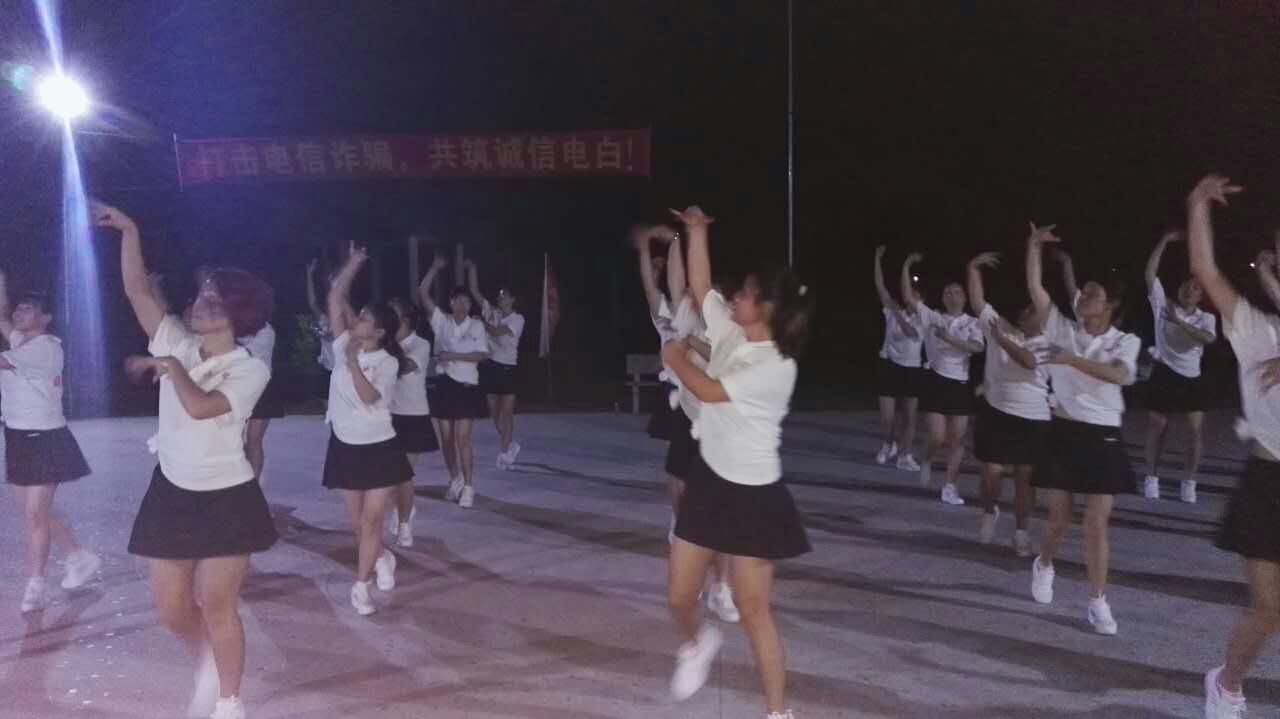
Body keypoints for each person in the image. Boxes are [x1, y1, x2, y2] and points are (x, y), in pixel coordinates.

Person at [99, 202, 275, 719]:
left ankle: (230, 700)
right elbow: (137, 290)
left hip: (227, 497)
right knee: (171, 610)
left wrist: (170, 367)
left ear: (239, 314)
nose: (201, 304)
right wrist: (130, 230)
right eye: (201, 295)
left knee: (217, 604)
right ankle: (207, 661)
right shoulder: (175, 339)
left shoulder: (249, 369)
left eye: (215, 300)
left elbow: (201, 407)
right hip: (172, 491)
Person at [662, 205, 813, 719]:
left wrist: (673, 356)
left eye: (746, 294)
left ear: (766, 308)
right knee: (679, 597)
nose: (736, 299)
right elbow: (702, 286)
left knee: (754, 612)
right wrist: (696, 232)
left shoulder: (777, 366)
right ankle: (694, 645)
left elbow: (706, 388)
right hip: (709, 479)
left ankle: (778, 714)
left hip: (755, 496)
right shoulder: (730, 333)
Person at [1184, 174, 1279, 719]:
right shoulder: (1257, 330)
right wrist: (1197, 204)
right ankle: (1227, 684)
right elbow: (1207, 272)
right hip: (1269, 483)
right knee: (1269, 611)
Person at [1025, 222, 1139, 636]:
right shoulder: (1062, 330)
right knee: (1059, 519)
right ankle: (1044, 563)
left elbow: (1119, 375)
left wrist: (1069, 360)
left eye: (1092, 293)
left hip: (1103, 435)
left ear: (1110, 304)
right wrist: (1033, 246)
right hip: (1063, 433)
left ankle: (1097, 601)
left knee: (1096, 522)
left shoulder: (1125, 341)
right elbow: (1036, 288)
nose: (1084, 297)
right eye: (1084, 291)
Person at [322, 242, 412, 616]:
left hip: (380, 448)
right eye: (358, 315)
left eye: (363, 317)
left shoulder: (388, 362)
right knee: (358, 524)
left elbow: (369, 397)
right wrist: (355, 263)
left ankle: (361, 587)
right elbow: (335, 296)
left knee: (373, 520)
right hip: (345, 446)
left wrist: (353, 364)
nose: (356, 319)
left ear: (378, 331)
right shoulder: (345, 342)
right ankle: (382, 557)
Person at [0, 272, 99, 613]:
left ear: (45, 318)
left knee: (34, 515)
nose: (19, 312)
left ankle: (36, 585)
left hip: (45, 440)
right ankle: (79, 556)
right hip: (17, 437)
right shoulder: (21, 343)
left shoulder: (45, 349)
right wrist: (2, 284)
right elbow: (2, 317)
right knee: (37, 513)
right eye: (19, 307)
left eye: (28, 308)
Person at [966, 252, 1049, 557]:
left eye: (1035, 309)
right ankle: (989, 512)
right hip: (996, 412)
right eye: (1027, 309)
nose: (1029, 312)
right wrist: (973, 268)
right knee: (991, 473)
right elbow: (977, 302)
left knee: (1025, 479)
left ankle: (1021, 532)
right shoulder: (1001, 326)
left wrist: (1001, 340)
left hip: (1033, 417)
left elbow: (1028, 361)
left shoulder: (1049, 342)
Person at [902, 253, 985, 505]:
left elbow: (977, 348)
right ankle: (927, 458)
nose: (952, 295)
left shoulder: (973, 322)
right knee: (937, 437)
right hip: (936, 381)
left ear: (965, 297)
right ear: (942, 298)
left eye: (957, 292)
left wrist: (948, 338)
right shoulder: (933, 318)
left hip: (959, 384)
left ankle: (950, 486)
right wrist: (907, 265)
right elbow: (908, 297)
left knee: (957, 441)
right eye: (947, 292)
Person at [1141, 230, 1216, 503]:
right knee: (1157, 429)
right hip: (1164, 373)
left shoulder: (1206, 318)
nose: (1189, 289)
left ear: (1200, 296)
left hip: (1191, 378)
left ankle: (1189, 482)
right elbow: (1150, 273)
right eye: (1186, 285)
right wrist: (1163, 241)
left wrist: (1179, 322)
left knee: (1195, 433)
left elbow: (1207, 338)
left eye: (1195, 288)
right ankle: (1151, 478)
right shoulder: (1162, 305)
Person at [417, 256, 491, 508]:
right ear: (451, 302)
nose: (463, 304)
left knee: (463, 439)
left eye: (467, 300)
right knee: (446, 440)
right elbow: (422, 293)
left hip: (466, 386)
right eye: (458, 300)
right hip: (444, 385)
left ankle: (469, 487)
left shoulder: (476, 326)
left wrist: (453, 356)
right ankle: (455, 478)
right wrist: (433, 268)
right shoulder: (442, 321)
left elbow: (482, 355)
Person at [385, 296, 439, 548]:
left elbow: (404, 366)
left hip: (414, 416)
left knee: (404, 473)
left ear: (406, 320)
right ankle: (403, 508)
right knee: (390, 475)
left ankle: (405, 523)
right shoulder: (386, 344)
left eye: (394, 315)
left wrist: (382, 352)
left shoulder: (421, 344)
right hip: (388, 417)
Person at [466, 260, 526, 469]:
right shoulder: (493, 313)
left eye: (504, 295)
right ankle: (510, 445)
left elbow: (497, 332)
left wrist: (481, 323)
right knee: (494, 413)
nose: (500, 297)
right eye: (499, 295)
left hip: (509, 368)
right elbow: (475, 291)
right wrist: (472, 268)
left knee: (507, 414)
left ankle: (504, 452)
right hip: (492, 367)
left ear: (512, 299)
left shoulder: (517, 319)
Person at [872, 245, 924, 471]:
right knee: (887, 418)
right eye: (909, 294)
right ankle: (888, 444)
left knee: (909, 417)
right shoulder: (894, 311)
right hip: (889, 365)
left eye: (916, 295)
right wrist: (877, 258)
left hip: (911, 369)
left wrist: (894, 311)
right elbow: (880, 285)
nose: (911, 297)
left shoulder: (924, 319)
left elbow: (910, 333)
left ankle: (905, 455)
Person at [238, 321, 282, 485]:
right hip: (238, 387)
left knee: (254, 440)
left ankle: (253, 485)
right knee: (234, 440)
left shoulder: (265, 330)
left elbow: (243, 355)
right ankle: (238, 481)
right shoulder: (232, 325)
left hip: (262, 388)